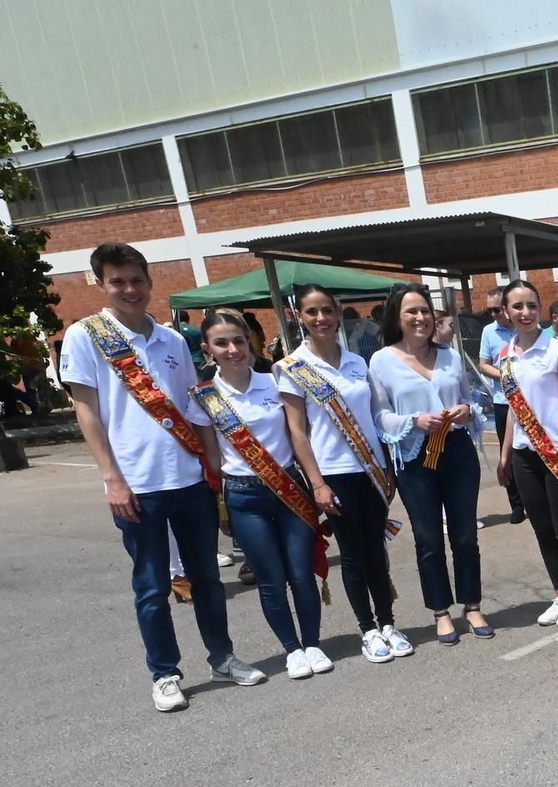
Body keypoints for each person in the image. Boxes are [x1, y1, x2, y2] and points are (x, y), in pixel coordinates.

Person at [61, 243, 267, 710]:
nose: (129, 289)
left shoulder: (174, 341)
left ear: (150, 282)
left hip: (188, 478)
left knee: (208, 580)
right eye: (118, 281)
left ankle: (223, 656)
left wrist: (213, 468)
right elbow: (86, 410)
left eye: (137, 279)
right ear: (101, 284)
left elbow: (193, 410)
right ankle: (165, 673)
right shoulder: (85, 336)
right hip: (136, 486)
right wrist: (111, 478)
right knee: (152, 585)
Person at [192, 309, 333, 679]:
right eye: (221, 343)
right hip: (244, 495)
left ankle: (313, 643)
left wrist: (317, 481)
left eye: (238, 340)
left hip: (289, 489)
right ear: (208, 348)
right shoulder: (205, 397)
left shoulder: (275, 381)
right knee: (271, 579)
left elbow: (298, 434)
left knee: (301, 573)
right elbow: (211, 457)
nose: (233, 349)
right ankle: (292, 649)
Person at [277, 283, 408, 666]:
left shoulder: (356, 363)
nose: (321, 319)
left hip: (370, 471)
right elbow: (297, 431)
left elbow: (372, 418)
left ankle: (388, 623)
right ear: (299, 317)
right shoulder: (292, 368)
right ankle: (367, 629)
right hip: (333, 474)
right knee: (352, 557)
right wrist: (316, 482)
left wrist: (385, 466)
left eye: (327, 311)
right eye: (312, 312)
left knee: (377, 552)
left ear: (338, 314)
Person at [370, 283, 492, 643]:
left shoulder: (451, 356)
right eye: (412, 311)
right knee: (428, 538)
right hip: (414, 456)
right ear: (397, 317)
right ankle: (441, 611)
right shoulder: (381, 361)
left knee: (465, 535)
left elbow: (473, 401)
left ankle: (472, 604)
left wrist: (468, 411)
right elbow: (380, 416)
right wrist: (413, 422)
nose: (421, 318)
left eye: (425, 310)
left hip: (456, 451)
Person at [493, 279, 558, 629]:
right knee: (542, 529)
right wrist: (505, 457)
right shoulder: (505, 356)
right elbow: (512, 412)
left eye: (531, 305)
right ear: (506, 312)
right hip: (524, 455)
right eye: (517, 306)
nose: (525, 313)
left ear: (540, 309)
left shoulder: (557, 351)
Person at [477, 285, 527, 525]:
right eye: (490, 311)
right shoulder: (489, 332)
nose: (493, 314)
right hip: (503, 402)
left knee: (530, 450)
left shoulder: (527, 326)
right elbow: (483, 364)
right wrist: (505, 375)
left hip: (528, 401)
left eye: (496, 309)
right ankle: (516, 505)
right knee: (507, 454)